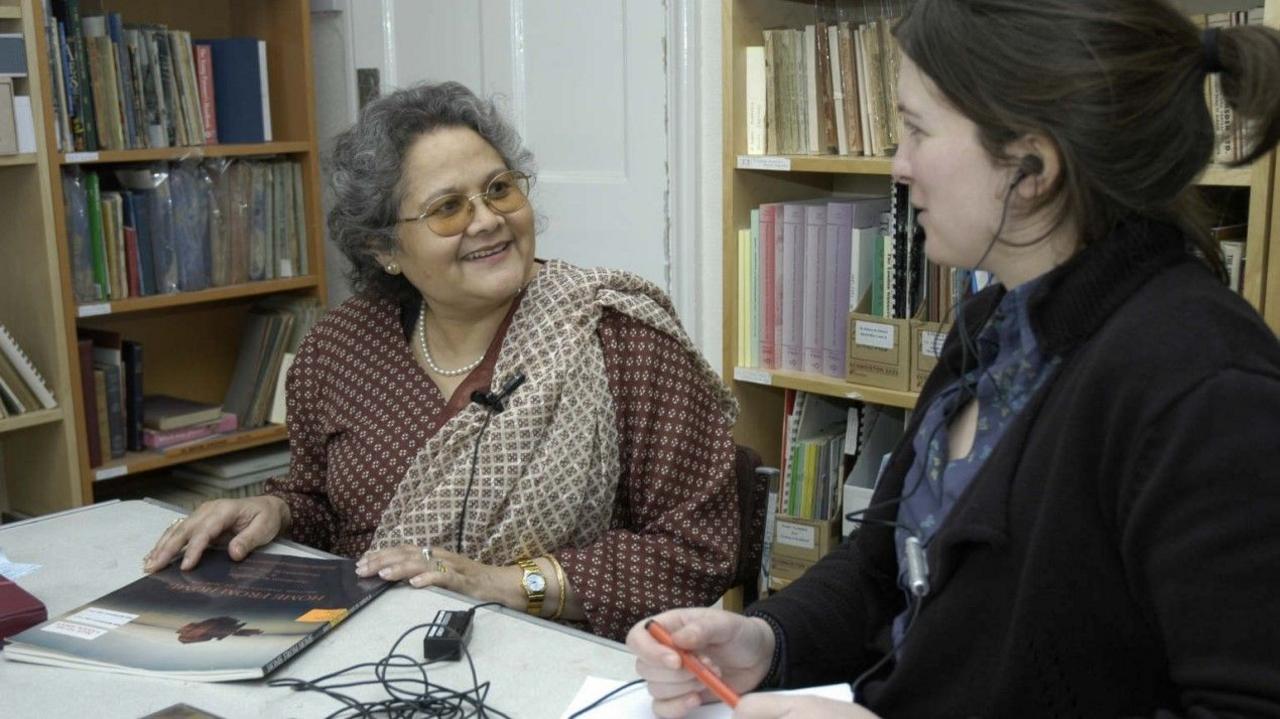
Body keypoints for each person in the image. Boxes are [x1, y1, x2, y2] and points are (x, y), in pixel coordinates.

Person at [628, 1, 1280, 716]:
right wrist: (767, 637)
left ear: (1030, 166)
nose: (898, 165)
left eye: (915, 130)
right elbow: (884, 567)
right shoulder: (996, 325)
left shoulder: (1205, 388)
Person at [144, 81, 742, 641]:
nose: (487, 220)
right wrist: (270, 510)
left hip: (563, 662)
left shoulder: (620, 338)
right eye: (448, 208)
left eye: (499, 189)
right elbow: (321, 507)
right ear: (385, 250)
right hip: (371, 650)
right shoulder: (338, 350)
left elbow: (698, 549)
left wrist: (508, 583)